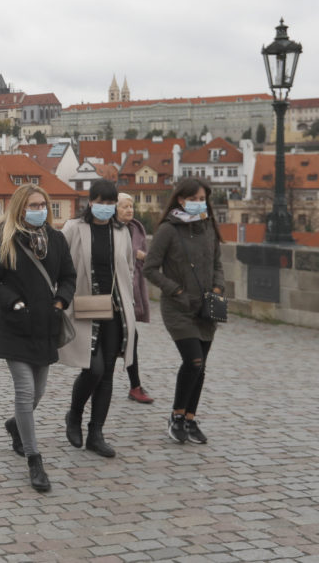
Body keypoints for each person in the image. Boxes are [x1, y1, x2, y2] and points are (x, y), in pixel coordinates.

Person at [0, 183, 76, 492]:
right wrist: (13, 302)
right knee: (24, 391)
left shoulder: (56, 239)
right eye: (34, 206)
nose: (40, 210)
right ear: (20, 208)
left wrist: (61, 300)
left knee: (39, 391)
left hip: (46, 325)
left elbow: (69, 277)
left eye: (43, 205)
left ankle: (15, 425)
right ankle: (35, 459)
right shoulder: (4, 239)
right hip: (16, 325)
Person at [143, 177, 224, 445]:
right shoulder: (168, 229)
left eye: (202, 200)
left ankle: (190, 419)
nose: (199, 204)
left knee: (201, 367)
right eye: (194, 199)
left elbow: (217, 263)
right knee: (193, 361)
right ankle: (176, 417)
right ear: (180, 199)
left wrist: (219, 288)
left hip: (205, 307)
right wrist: (175, 290)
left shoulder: (208, 227)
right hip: (178, 307)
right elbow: (150, 268)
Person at [60, 179, 135, 458]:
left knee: (107, 374)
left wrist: (129, 300)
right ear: (90, 202)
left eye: (110, 202)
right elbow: (61, 264)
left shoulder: (121, 231)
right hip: (84, 305)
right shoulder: (74, 228)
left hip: (114, 309)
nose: (105, 207)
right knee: (93, 368)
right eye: (100, 201)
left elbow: (128, 267)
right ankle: (74, 415)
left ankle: (96, 433)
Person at [117, 193, 153, 404]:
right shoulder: (110, 229)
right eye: (125, 207)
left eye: (131, 206)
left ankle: (135, 386)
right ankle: (133, 386)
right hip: (114, 292)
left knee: (131, 337)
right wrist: (134, 254)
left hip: (132, 289)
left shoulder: (136, 228)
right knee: (123, 339)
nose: (130, 210)